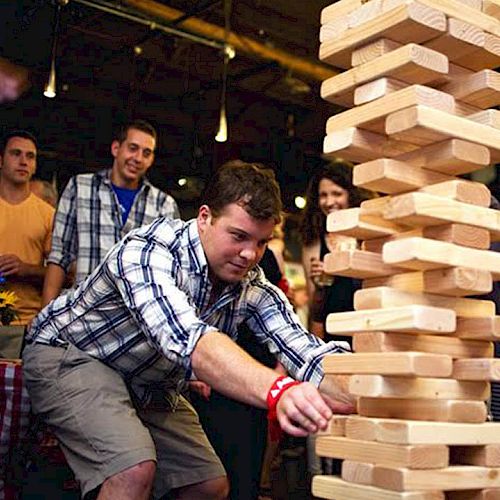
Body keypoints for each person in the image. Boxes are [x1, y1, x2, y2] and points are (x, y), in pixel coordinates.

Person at [23, 160, 354, 500]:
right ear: (205, 218)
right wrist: (278, 391)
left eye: (261, 242)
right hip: (71, 354)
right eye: (239, 236)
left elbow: (307, 352)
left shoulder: (252, 285)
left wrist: (373, 395)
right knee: (132, 470)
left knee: (207, 485)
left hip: (146, 379)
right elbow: (187, 339)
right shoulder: (147, 250)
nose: (249, 254)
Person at [42, 119, 180, 305]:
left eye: (146, 153)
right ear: (116, 148)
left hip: (135, 318)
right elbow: (59, 256)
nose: (138, 158)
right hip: (82, 312)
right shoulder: (80, 187)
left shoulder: (164, 205)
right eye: (132, 148)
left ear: (152, 160)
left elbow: (170, 270)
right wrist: (45, 314)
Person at [300, 162, 362, 340]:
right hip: (331, 336)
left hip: (365, 330)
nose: (329, 202)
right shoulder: (313, 241)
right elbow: (314, 310)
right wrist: (320, 286)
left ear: (352, 194)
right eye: (323, 195)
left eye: (337, 194)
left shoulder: (366, 237)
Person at [0, 130, 54, 325]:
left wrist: (26, 269)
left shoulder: (48, 215)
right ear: (1, 160)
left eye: (30, 156)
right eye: (16, 154)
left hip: (27, 323)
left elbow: (65, 275)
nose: (24, 161)